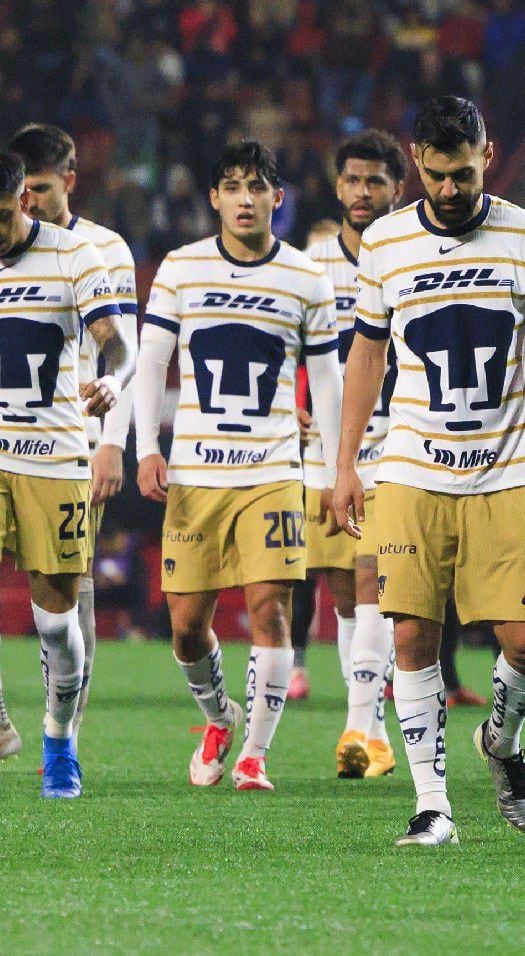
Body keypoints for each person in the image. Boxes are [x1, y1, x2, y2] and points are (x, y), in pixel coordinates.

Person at [332, 96, 525, 846]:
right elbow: (367, 355)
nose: (451, 190)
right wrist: (345, 462)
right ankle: (432, 805)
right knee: (412, 637)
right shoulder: (384, 244)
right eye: (438, 175)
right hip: (411, 467)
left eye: (464, 173)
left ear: (489, 154)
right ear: (418, 162)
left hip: (508, 467)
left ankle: (502, 746)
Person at [0, 147, 134, 802]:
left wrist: (113, 379)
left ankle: (58, 738)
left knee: (56, 624)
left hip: (55, 454)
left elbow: (116, 340)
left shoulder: (75, 257)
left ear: (25, 199)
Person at [134, 140, 343, 794]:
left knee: (270, 612)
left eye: (257, 186)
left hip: (273, 470)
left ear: (278, 198)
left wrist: (336, 471)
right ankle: (220, 715)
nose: (245, 198)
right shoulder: (181, 267)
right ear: (214, 199)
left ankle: (255, 754)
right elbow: (149, 363)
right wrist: (148, 446)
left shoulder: (307, 278)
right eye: (232, 186)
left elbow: (329, 381)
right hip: (196, 473)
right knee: (186, 628)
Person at [304, 129, 406, 781]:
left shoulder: (414, 254)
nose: (362, 192)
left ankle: (359, 725)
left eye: (375, 181)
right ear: (337, 186)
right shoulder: (312, 261)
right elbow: (286, 340)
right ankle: (376, 735)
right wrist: (292, 397)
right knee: (345, 595)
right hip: (327, 449)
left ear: (398, 188)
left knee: (376, 582)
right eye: (352, 181)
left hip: (400, 440)